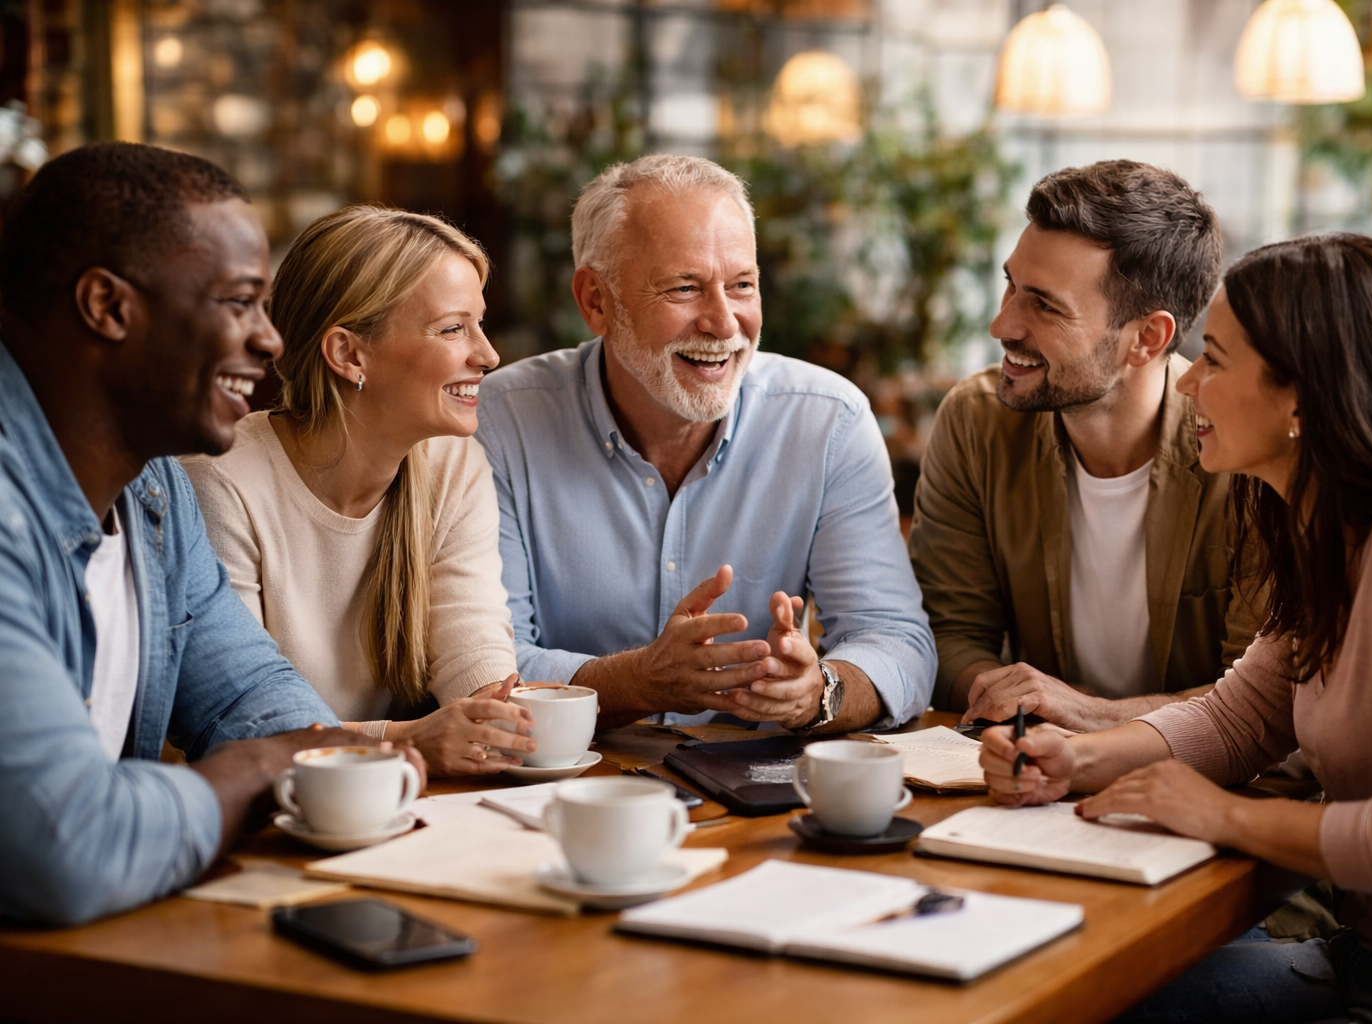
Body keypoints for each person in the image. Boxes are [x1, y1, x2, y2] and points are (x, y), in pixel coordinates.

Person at [984, 233, 1372, 1024]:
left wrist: (1223, 815)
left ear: (1302, 397)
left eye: (1216, 360)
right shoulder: (1327, 528)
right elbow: (1242, 716)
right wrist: (1074, 759)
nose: (1188, 384)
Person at [0, 143, 410, 927]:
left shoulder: (152, 492)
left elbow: (254, 698)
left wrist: (322, 759)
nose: (269, 340)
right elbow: (65, 848)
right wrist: (263, 767)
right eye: (238, 302)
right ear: (109, 307)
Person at [475, 154, 935, 733]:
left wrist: (822, 690)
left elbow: (898, 643)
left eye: (742, 285)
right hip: (568, 789)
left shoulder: (828, 422)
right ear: (596, 301)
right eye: (684, 288)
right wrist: (642, 681)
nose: (723, 323)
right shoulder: (500, 421)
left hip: (754, 795)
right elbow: (489, 670)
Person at [909, 160, 1259, 733]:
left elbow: (1265, 702)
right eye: (1010, 285)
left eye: (1044, 305)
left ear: (1147, 338)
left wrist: (1089, 716)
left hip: (1206, 794)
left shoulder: (1247, 453)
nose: (1003, 325)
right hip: (1034, 782)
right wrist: (1011, 699)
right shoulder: (978, 422)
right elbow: (948, 634)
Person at [183, 207, 534, 777]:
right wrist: (405, 742)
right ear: (349, 354)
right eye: (453, 328)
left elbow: (473, 649)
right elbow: (238, 720)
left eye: (480, 324)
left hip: (396, 801)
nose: (488, 355)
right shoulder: (220, 483)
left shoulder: (452, 466)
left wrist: (499, 715)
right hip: (270, 811)